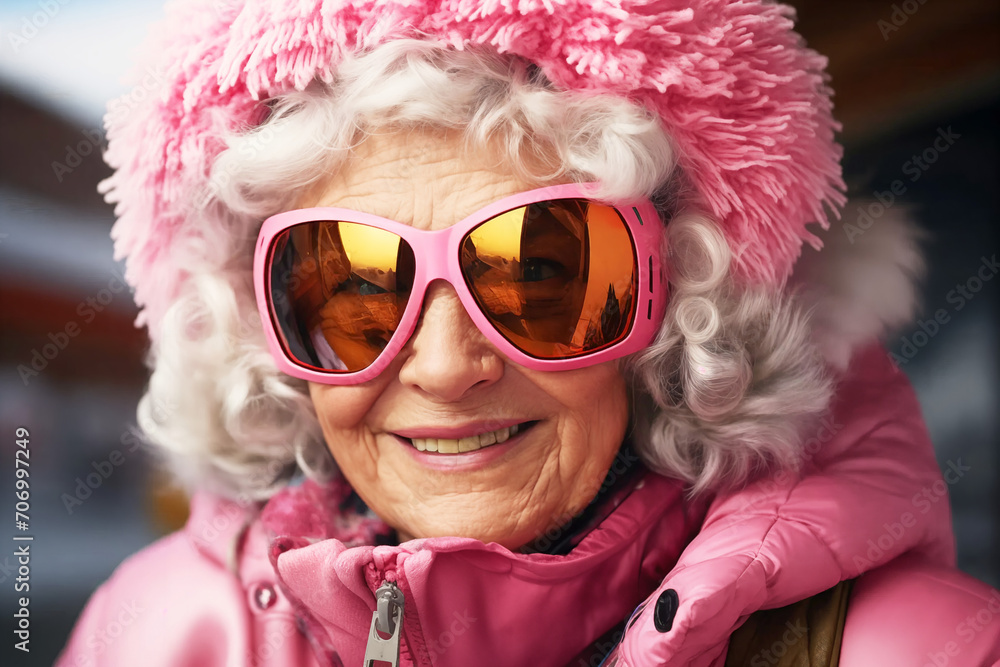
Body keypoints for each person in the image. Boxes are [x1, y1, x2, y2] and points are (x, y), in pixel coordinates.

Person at [58, 1, 1000, 665]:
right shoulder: (147, 635)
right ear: (270, 338)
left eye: (538, 272)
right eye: (353, 290)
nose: (444, 365)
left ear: (676, 313)